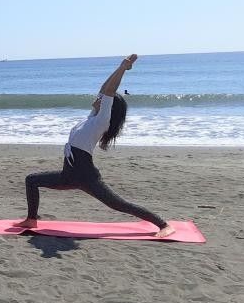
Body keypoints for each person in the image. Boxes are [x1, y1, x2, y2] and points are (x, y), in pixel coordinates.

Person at [17, 54, 175, 238]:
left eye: (102, 100)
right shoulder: (92, 117)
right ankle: (31, 219)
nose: (98, 98)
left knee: (119, 205)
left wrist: (123, 67)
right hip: (67, 175)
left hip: (86, 177)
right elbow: (104, 89)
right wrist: (119, 67)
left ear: (108, 107)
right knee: (31, 180)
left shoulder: (101, 121)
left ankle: (164, 224)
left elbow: (109, 91)